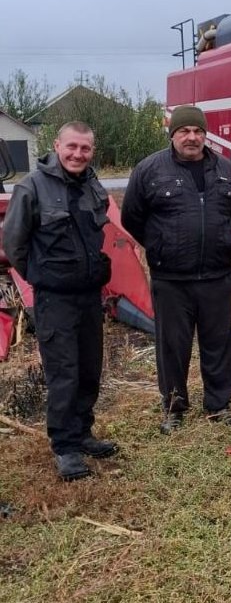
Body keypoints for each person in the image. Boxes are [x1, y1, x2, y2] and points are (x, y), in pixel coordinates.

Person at [3, 122, 117, 481]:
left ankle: (83, 432)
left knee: (88, 370)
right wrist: (43, 275)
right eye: (72, 147)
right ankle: (65, 447)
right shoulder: (31, 187)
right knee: (63, 373)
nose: (77, 154)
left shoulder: (93, 185)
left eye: (84, 148)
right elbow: (15, 246)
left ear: (91, 151)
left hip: (89, 296)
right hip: (54, 299)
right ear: (57, 146)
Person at [121, 105, 231, 434]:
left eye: (198, 131)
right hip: (171, 279)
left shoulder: (226, 170)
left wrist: (216, 244)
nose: (192, 137)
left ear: (206, 135)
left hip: (216, 277)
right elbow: (131, 217)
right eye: (184, 131)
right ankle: (174, 408)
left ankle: (219, 405)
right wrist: (162, 246)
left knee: (219, 344)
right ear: (172, 134)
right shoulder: (150, 170)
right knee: (173, 347)